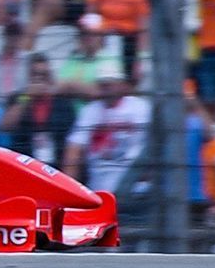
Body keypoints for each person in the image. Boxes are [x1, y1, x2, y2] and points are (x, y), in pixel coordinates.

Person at [64, 64, 152, 192]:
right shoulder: (90, 111)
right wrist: (69, 190)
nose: (106, 89)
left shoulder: (140, 108)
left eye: (109, 84)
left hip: (135, 188)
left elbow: (154, 144)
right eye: (102, 84)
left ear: (121, 84)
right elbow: (73, 150)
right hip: (99, 190)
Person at [0, 54, 78, 165]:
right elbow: (5, 126)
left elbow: (71, 139)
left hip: (56, 163)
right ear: (29, 76)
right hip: (25, 162)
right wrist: (27, 96)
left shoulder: (62, 102)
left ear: (50, 76)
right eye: (35, 74)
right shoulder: (19, 98)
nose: (39, 79)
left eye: (44, 75)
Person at [87, 0, 149, 78]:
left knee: (128, 66)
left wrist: (141, 57)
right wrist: (95, 32)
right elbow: (90, 14)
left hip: (128, 38)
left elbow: (143, 27)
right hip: (104, 36)